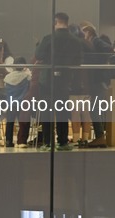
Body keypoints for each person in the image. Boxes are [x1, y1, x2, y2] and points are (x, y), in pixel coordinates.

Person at [34, 12, 83, 151]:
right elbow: (78, 61)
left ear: (55, 22)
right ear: (67, 22)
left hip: (47, 79)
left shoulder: (49, 38)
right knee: (62, 110)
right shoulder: (75, 41)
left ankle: (48, 142)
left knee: (47, 111)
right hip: (65, 80)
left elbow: (38, 54)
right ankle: (63, 141)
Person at [81, 25, 114, 148]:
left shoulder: (96, 41)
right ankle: (100, 136)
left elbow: (109, 49)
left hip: (98, 79)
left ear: (88, 32)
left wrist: (99, 62)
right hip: (97, 79)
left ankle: (100, 137)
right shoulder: (93, 43)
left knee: (94, 108)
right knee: (94, 108)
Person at [3, 56, 31, 147]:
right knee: (23, 123)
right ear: (24, 66)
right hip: (22, 103)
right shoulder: (26, 77)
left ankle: (8, 141)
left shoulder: (7, 77)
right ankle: (22, 141)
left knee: (10, 123)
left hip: (10, 103)